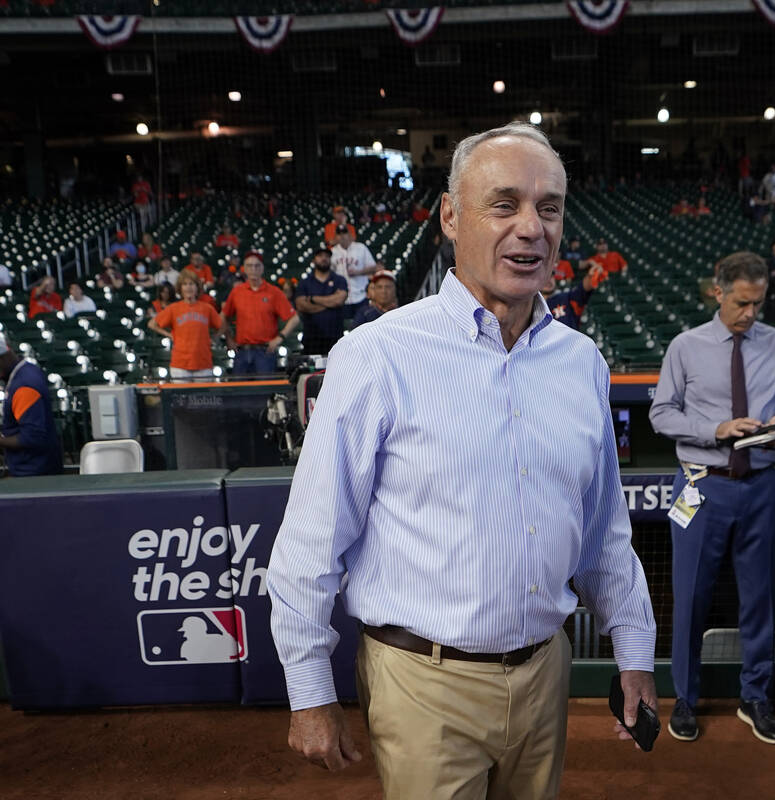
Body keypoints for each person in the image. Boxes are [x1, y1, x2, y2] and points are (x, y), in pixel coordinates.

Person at [267, 121, 658, 798]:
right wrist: (309, 691)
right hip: (423, 683)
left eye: (549, 207)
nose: (531, 227)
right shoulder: (378, 354)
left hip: (545, 673)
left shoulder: (581, 362)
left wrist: (634, 654)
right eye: (503, 204)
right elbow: (310, 541)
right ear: (450, 216)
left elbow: (604, 534)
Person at [650, 251, 775, 746]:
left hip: (760, 485)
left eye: (758, 303)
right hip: (701, 482)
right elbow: (661, 415)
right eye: (742, 303)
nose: (751, 313)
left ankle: (756, 698)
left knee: (758, 597)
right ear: (719, 293)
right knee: (691, 597)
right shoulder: (686, 346)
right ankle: (686, 700)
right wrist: (716, 428)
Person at [0, 333, 63, 477]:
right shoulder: (27, 370)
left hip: (35, 473)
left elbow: (32, 437)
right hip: (35, 468)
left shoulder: (24, 386)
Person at [221, 252, 299, 375]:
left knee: (265, 391)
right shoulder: (237, 292)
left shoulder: (273, 292)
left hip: (265, 351)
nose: (253, 269)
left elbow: (294, 318)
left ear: (262, 268)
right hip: (241, 351)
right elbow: (223, 316)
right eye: (250, 266)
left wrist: (280, 338)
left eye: (257, 266)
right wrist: (229, 338)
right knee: (239, 391)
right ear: (244, 269)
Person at [147, 269, 224, 381]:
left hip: (203, 362)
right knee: (181, 398)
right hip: (180, 364)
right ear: (180, 288)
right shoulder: (174, 308)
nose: (188, 287)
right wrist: (169, 335)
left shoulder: (207, 308)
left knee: (202, 398)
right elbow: (152, 324)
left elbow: (222, 325)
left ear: (197, 287)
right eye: (185, 284)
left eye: (191, 284)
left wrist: (215, 337)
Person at [294, 249, 348, 356]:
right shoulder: (305, 282)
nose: (324, 259)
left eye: (327, 256)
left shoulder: (339, 280)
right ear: (314, 260)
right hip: (312, 337)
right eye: (320, 256)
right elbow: (301, 306)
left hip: (335, 336)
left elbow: (339, 300)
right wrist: (330, 302)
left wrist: (313, 299)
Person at [330, 224, 377, 319]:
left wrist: (358, 272)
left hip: (361, 295)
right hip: (342, 298)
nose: (342, 236)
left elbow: (373, 267)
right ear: (336, 236)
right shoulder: (332, 252)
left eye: (344, 233)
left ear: (350, 234)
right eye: (339, 233)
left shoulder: (361, 248)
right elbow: (329, 274)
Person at [542, 261, 606, 332]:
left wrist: (591, 275)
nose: (548, 280)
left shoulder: (566, 297)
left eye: (551, 275)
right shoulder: (531, 304)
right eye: (544, 277)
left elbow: (582, 289)